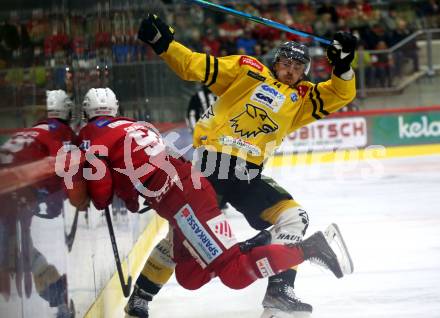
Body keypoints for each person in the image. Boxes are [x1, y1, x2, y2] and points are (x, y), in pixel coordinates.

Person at [134, 14, 357, 317]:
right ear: (275, 61)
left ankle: (280, 292)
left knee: (295, 217)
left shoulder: (303, 98)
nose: (291, 71)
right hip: (212, 167)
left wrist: (342, 67)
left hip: (249, 175)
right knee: (180, 239)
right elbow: (194, 65)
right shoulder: (247, 70)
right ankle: (141, 297)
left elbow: (342, 93)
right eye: (286, 64)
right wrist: (164, 45)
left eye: (298, 68)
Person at [70, 88, 344, 317]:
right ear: (115, 109)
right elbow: (153, 161)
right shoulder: (134, 125)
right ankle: (250, 246)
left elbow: (103, 190)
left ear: (85, 113)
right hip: (189, 190)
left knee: (235, 275)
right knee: (189, 277)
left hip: (186, 202)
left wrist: (90, 190)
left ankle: (310, 248)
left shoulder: (91, 135)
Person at [0, 90, 83, 318]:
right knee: (16, 255)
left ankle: (61, 304)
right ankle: (61, 304)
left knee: (17, 254)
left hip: (10, 190)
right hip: (13, 192)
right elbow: (64, 167)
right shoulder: (61, 132)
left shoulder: (35, 129)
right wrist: (62, 196)